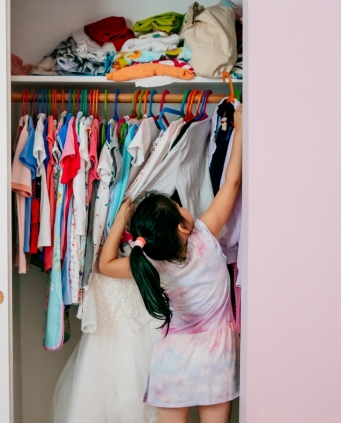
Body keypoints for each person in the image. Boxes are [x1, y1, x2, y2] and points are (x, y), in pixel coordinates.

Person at [99, 105, 243, 423]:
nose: (184, 207)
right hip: (216, 356)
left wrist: (121, 218)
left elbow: (105, 265)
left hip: (173, 359)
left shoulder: (148, 261)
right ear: (182, 226)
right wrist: (242, 129)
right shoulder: (204, 236)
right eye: (180, 206)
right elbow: (232, 184)